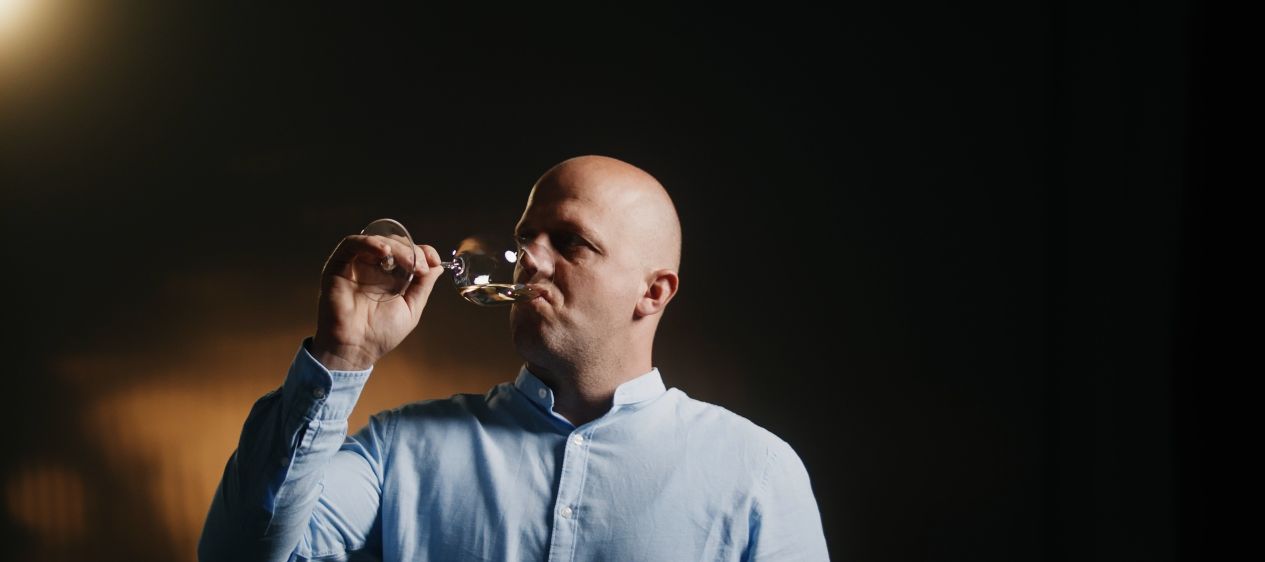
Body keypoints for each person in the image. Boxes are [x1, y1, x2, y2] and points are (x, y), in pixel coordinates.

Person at [198, 155, 830, 561]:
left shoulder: (755, 474)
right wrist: (342, 355)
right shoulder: (399, 450)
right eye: (527, 236)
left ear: (653, 292)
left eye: (571, 242)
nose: (529, 257)